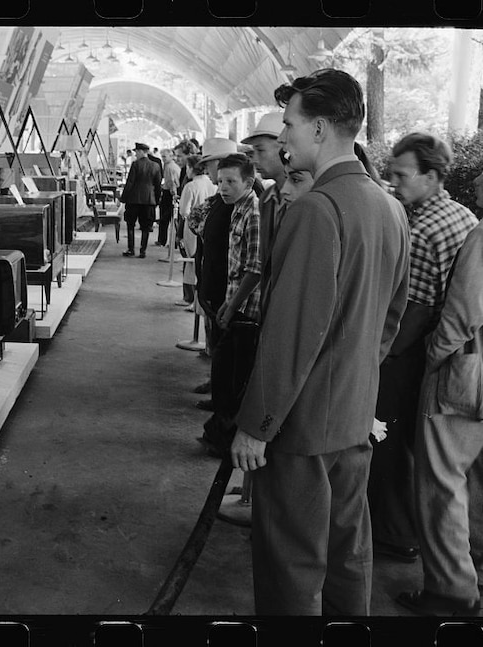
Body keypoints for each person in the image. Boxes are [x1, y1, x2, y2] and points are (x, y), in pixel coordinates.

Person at [230, 68, 410, 616]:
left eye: (289, 124)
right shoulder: (390, 207)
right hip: (354, 418)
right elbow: (389, 321)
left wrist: (256, 425)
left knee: (291, 566)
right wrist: (351, 379)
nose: (282, 137)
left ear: (321, 129)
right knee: (348, 558)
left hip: (301, 427)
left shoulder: (315, 209)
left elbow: (291, 334)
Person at [368, 132, 478, 566]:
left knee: (391, 443)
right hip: (455, 354)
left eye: (401, 175)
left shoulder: (422, 227)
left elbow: (416, 307)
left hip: (418, 350)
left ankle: (395, 533)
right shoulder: (462, 214)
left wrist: (386, 354)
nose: (394, 183)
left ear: (431, 176)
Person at [396, 170, 483, 616]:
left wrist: (431, 356)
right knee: (476, 480)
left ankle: (450, 592)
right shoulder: (468, 219)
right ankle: (474, 571)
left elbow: (461, 314)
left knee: (441, 483)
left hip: (463, 374)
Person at [199, 154, 262, 456]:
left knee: (233, 379)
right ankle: (219, 434)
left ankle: (225, 441)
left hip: (246, 312)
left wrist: (231, 304)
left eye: (230, 182)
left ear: (248, 182)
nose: (223, 187)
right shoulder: (236, 207)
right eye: (221, 180)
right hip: (232, 304)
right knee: (223, 376)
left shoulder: (255, 213)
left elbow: (255, 268)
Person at [192, 138, 239, 375]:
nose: (206, 170)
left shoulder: (238, 200)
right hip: (214, 284)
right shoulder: (221, 197)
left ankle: (222, 402)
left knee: (226, 347)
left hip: (225, 289)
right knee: (218, 342)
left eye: (209, 164)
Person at [241, 112, 285, 305]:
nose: (254, 160)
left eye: (261, 151)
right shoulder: (267, 198)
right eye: (253, 153)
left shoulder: (310, 200)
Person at [177, 155, 216, 310]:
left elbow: (184, 211)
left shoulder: (191, 186)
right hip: (209, 228)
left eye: (187, 167)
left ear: (192, 168)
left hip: (192, 229)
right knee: (201, 263)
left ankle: (189, 297)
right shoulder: (212, 184)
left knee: (190, 261)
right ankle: (198, 300)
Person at [120, 142, 162, 258]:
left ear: (142, 152)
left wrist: (123, 198)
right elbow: (158, 185)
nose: (136, 154)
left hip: (133, 199)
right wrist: (157, 200)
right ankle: (143, 251)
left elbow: (130, 182)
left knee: (130, 224)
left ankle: (131, 249)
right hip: (149, 200)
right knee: (146, 227)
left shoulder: (135, 164)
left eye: (137, 152)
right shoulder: (156, 166)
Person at [157, 149, 180, 247]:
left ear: (171, 156)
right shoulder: (168, 165)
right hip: (168, 191)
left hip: (169, 193)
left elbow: (172, 182)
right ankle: (165, 240)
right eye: (162, 157)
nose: (163, 159)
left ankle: (163, 240)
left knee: (165, 218)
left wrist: (173, 194)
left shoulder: (170, 167)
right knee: (167, 218)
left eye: (165, 157)